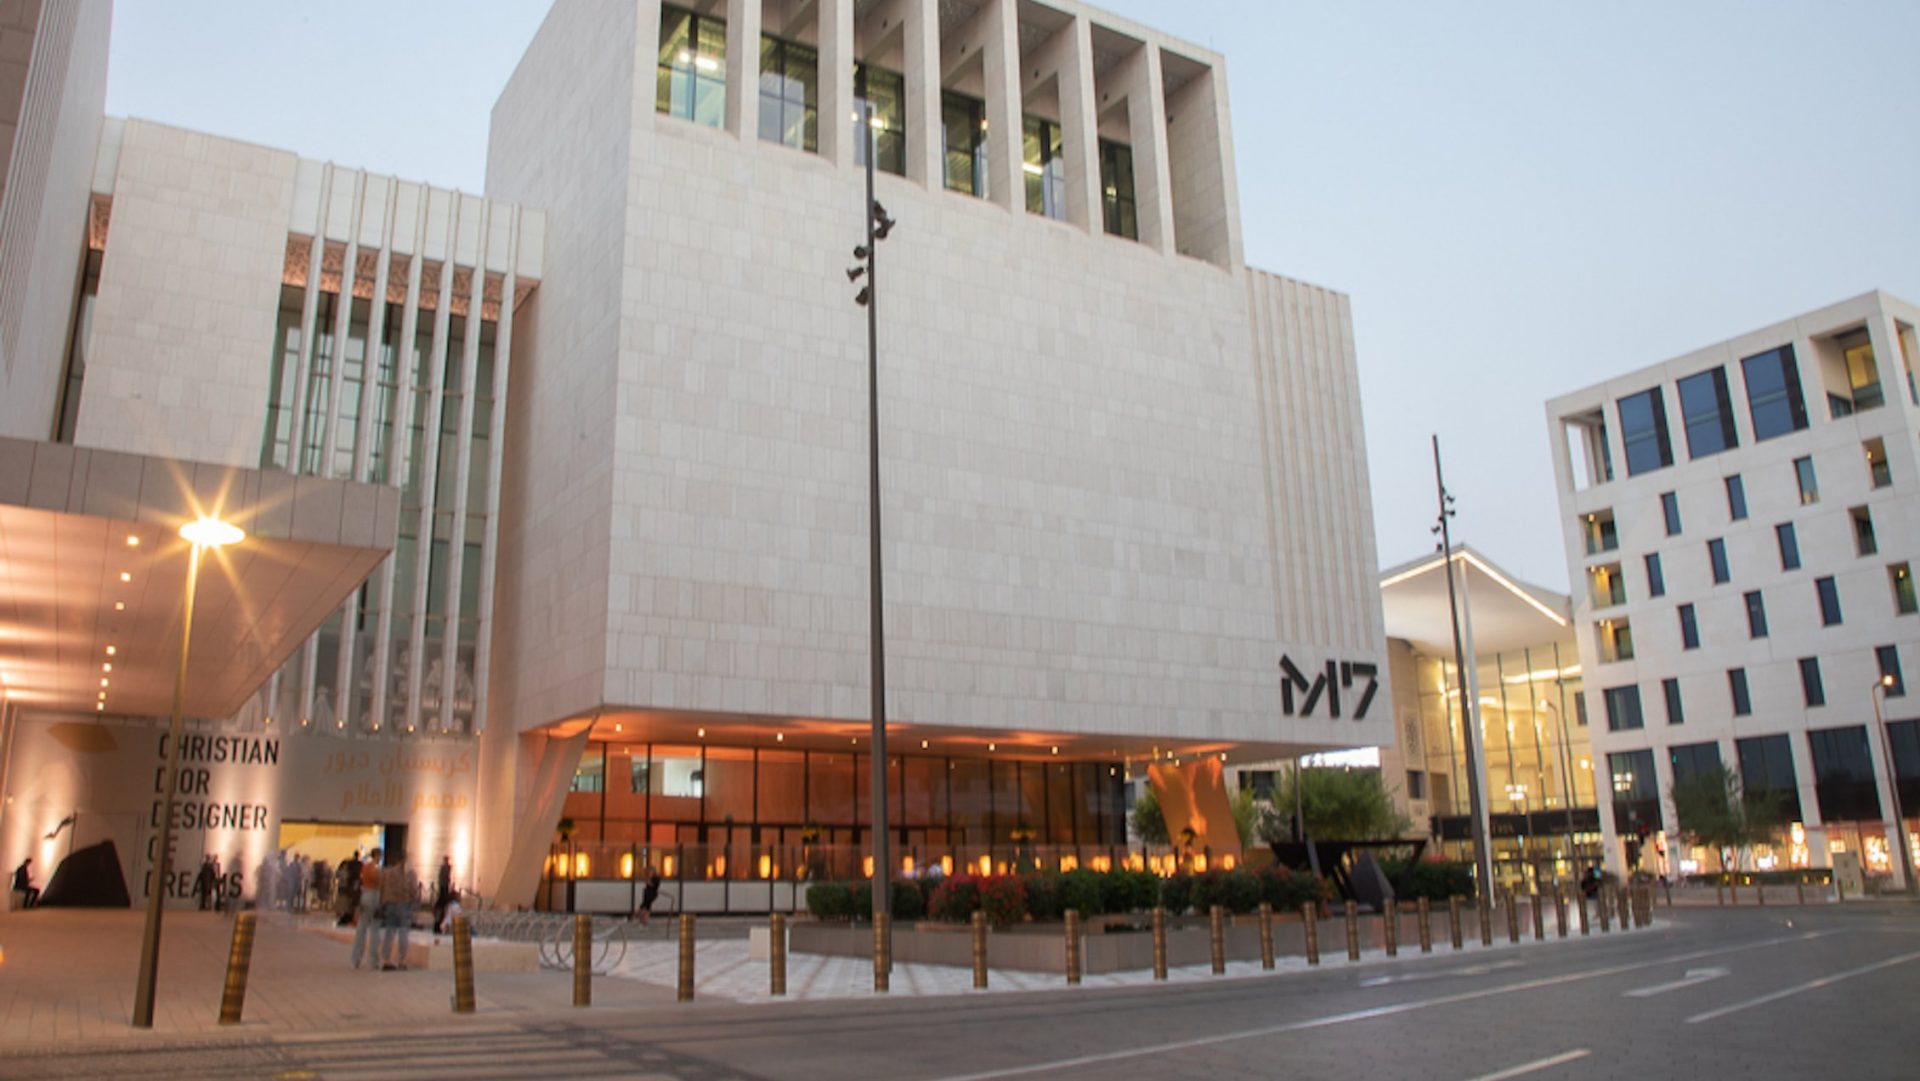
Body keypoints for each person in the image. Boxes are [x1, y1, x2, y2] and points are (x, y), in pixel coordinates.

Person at [350, 848, 383, 969]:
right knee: (375, 928)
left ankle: (356, 959)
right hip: (374, 896)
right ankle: (373, 960)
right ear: (377, 856)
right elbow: (379, 882)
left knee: (361, 928)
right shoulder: (377, 870)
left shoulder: (365, 867)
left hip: (365, 895)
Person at [432, 856, 454, 934]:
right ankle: (439, 928)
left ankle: (439, 927)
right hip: (444, 889)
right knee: (442, 909)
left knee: (441, 909)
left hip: (443, 888)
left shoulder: (445, 867)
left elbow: (444, 878)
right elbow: (444, 878)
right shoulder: (445, 868)